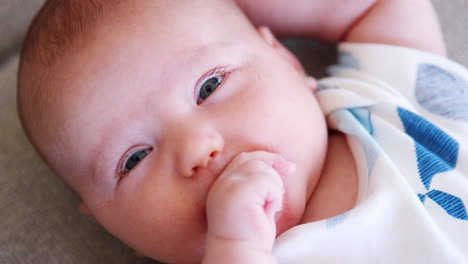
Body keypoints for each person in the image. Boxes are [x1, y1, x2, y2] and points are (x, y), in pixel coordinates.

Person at [17, 0, 468, 263]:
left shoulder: (383, 100)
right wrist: (236, 247)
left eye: (210, 85)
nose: (197, 147)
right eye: (134, 159)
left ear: (286, 60)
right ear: (107, 224)